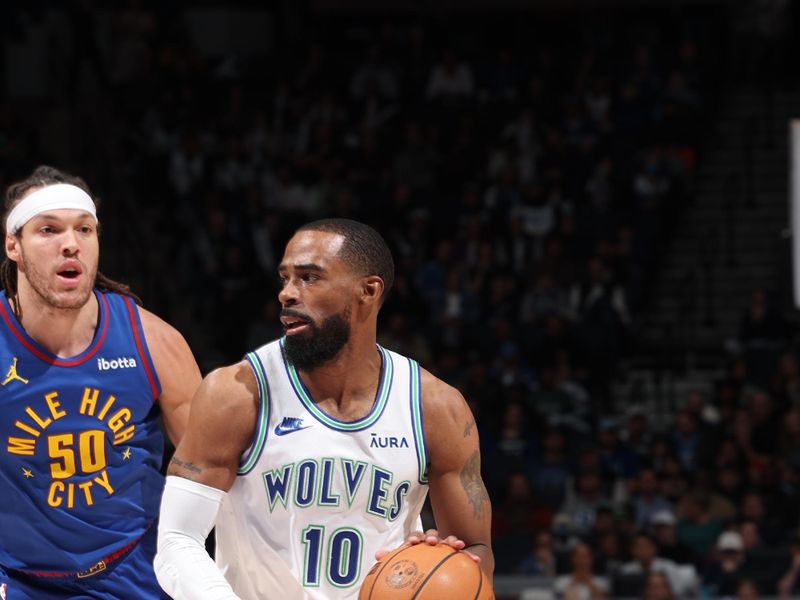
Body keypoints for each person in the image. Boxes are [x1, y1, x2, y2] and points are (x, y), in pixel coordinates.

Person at [154, 218, 494, 599]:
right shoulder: (235, 394)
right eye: (285, 278)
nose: (286, 293)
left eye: (309, 277)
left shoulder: (435, 407)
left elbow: (476, 552)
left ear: (368, 290)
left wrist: (445, 562)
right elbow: (177, 540)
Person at [0, 165, 202, 598]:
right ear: (13, 245)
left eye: (84, 230)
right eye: (48, 230)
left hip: (136, 567)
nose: (70, 244)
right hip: (19, 580)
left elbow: (210, 470)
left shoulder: (155, 341)